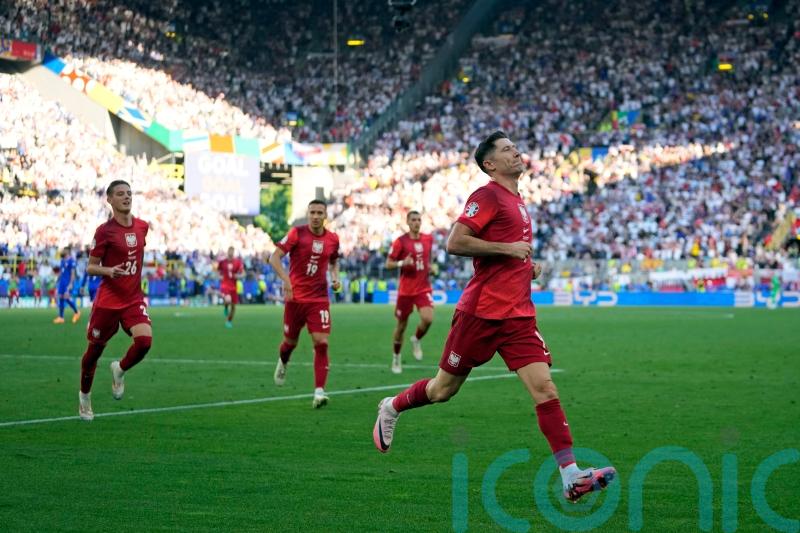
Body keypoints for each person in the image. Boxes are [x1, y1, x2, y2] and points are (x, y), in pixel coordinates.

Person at [371, 131, 616, 503]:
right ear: (490, 164)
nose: (515, 152)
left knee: (545, 388)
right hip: (481, 314)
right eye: (506, 150)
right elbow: (456, 242)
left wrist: (526, 264)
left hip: (518, 317)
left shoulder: (518, 200)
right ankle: (392, 406)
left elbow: (507, 254)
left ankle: (571, 475)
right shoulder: (486, 195)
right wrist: (509, 249)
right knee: (443, 390)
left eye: (514, 147)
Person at [78, 180, 152, 421]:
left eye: (129, 193)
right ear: (109, 200)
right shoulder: (104, 231)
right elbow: (91, 267)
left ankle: (119, 369)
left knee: (144, 342)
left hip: (132, 298)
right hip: (108, 302)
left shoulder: (142, 226)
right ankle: (85, 398)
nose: (126, 197)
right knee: (93, 354)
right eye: (120, 194)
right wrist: (109, 271)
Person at [269, 199, 341, 408]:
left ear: (325, 215)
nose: (316, 216)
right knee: (289, 343)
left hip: (318, 299)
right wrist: (287, 280)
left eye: (320, 212)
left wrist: (335, 277)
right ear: (308, 214)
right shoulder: (296, 233)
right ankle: (283, 361)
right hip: (295, 299)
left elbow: (334, 260)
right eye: (313, 212)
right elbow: (274, 258)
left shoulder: (333, 239)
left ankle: (319, 391)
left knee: (322, 342)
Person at [385, 210, 435, 374]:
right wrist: (401, 263)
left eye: (419, 219)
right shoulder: (400, 242)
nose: (416, 222)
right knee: (401, 326)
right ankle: (396, 358)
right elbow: (388, 264)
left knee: (428, 319)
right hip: (406, 291)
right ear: (407, 222)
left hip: (423, 288)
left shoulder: (428, 239)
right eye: (413, 220)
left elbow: (429, 258)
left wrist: (432, 267)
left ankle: (416, 339)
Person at [218, 246, 244, 328]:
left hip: (233, 286)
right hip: (225, 285)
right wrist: (220, 276)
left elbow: (243, 273)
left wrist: (239, 276)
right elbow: (218, 271)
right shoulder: (222, 262)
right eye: (229, 251)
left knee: (233, 306)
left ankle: (229, 321)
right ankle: (225, 306)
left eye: (232, 252)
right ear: (227, 252)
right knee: (228, 299)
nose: (231, 253)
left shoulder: (237, 262)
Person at [53, 247, 81, 324]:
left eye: (63, 250)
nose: (62, 251)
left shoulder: (71, 261)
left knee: (66, 297)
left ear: (67, 251)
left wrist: (71, 284)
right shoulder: (62, 260)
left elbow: (72, 274)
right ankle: (61, 317)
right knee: (61, 298)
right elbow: (61, 272)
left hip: (67, 283)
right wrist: (57, 280)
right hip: (62, 282)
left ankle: (77, 311)